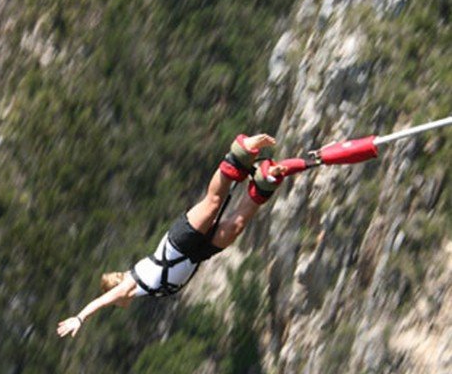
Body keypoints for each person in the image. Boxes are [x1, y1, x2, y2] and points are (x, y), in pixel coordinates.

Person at [57, 133, 288, 338]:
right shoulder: (140, 291)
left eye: (115, 301)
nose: (118, 304)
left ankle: (239, 152)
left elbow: (102, 301)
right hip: (197, 255)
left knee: (213, 203)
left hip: (178, 244)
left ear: (116, 295)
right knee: (235, 227)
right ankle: (264, 182)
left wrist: (80, 317)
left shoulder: (128, 285)